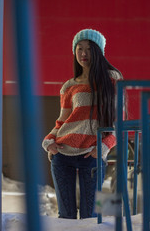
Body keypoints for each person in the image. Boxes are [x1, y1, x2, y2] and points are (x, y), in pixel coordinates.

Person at [42, 29, 123, 219]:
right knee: (66, 216)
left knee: (94, 216)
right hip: (62, 154)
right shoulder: (69, 86)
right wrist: (48, 141)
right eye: (79, 49)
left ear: (98, 51)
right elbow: (62, 121)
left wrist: (103, 146)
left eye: (89, 48)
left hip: (93, 155)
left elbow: (119, 122)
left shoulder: (113, 79)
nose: (83, 53)